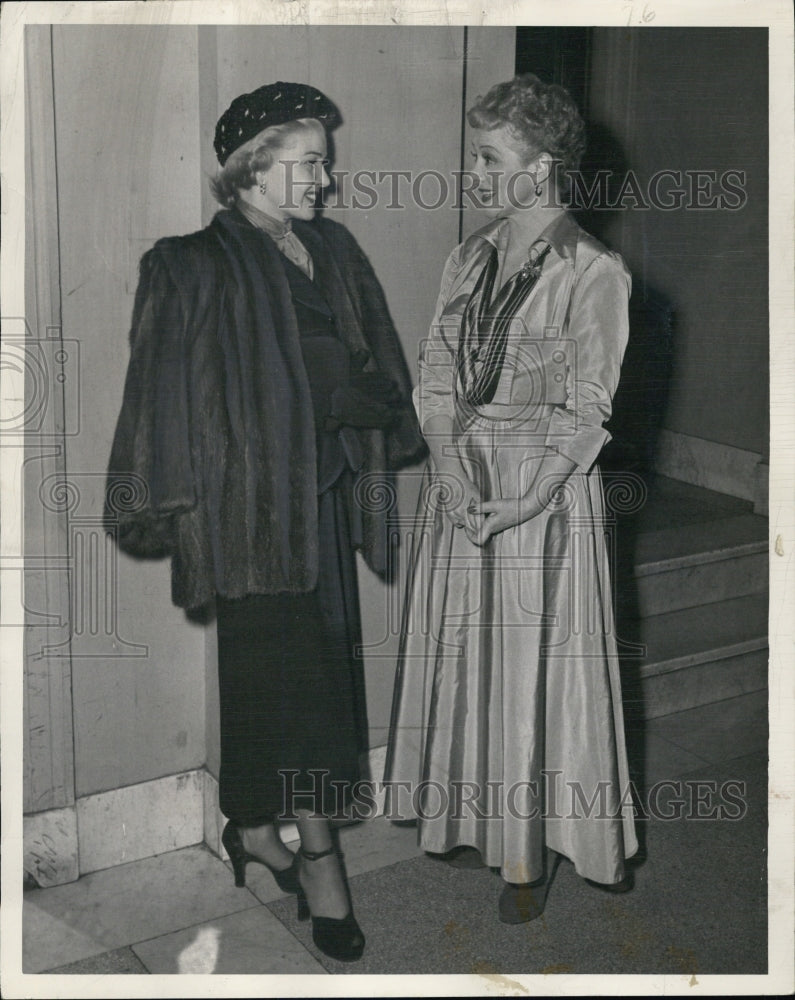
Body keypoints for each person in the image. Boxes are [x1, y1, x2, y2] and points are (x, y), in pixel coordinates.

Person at [105, 81, 426, 962]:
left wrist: (366, 403)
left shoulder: (333, 248)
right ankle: (320, 866)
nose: (325, 178)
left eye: (324, 159)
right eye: (309, 161)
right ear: (251, 168)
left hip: (321, 506)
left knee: (291, 684)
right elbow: (158, 398)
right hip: (247, 516)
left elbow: (378, 368)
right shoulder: (189, 264)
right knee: (300, 694)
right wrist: (156, 503)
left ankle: (251, 829)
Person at [384, 73, 638, 923]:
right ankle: (470, 817)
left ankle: (526, 858)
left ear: (540, 169)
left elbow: (588, 410)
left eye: (488, 158)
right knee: (467, 659)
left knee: (531, 673)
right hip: (464, 481)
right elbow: (432, 376)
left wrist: (526, 502)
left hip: (541, 499)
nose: (475, 173)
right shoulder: (468, 255)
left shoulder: (593, 270)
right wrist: (449, 469)